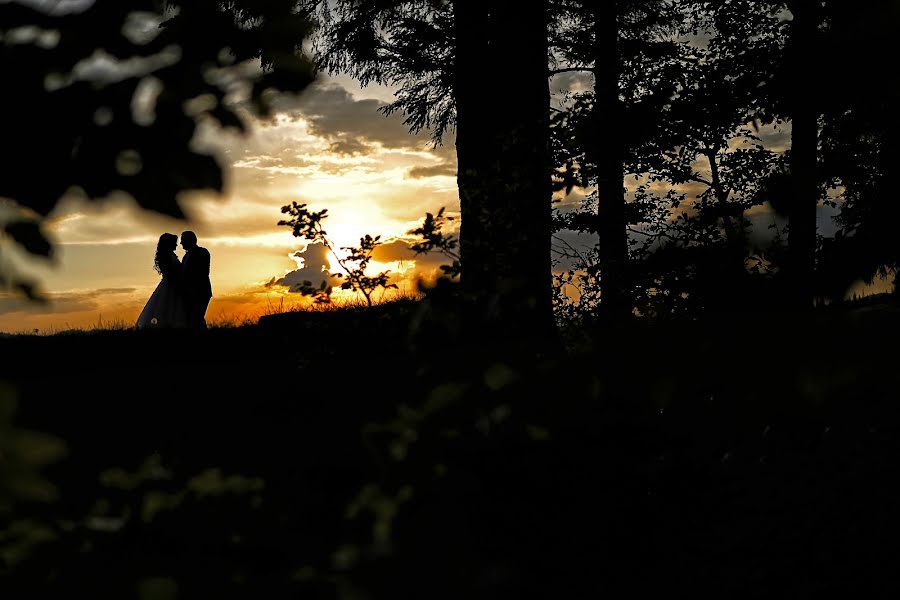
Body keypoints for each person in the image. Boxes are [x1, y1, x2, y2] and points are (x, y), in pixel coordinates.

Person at [136, 233, 188, 328]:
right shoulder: (167, 257)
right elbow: (171, 273)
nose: (176, 245)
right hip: (171, 285)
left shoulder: (170, 255)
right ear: (169, 243)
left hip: (171, 284)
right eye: (174, 243)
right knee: (167, 308)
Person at [180, 230, 212, 328]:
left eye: (183, 240)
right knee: (194, 320)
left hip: (200, 292)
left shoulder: (202, 252)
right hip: (189, 293)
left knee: (196, 319)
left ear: (189, 240)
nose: (181, 243)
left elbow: (203, 273)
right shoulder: (185, 256)